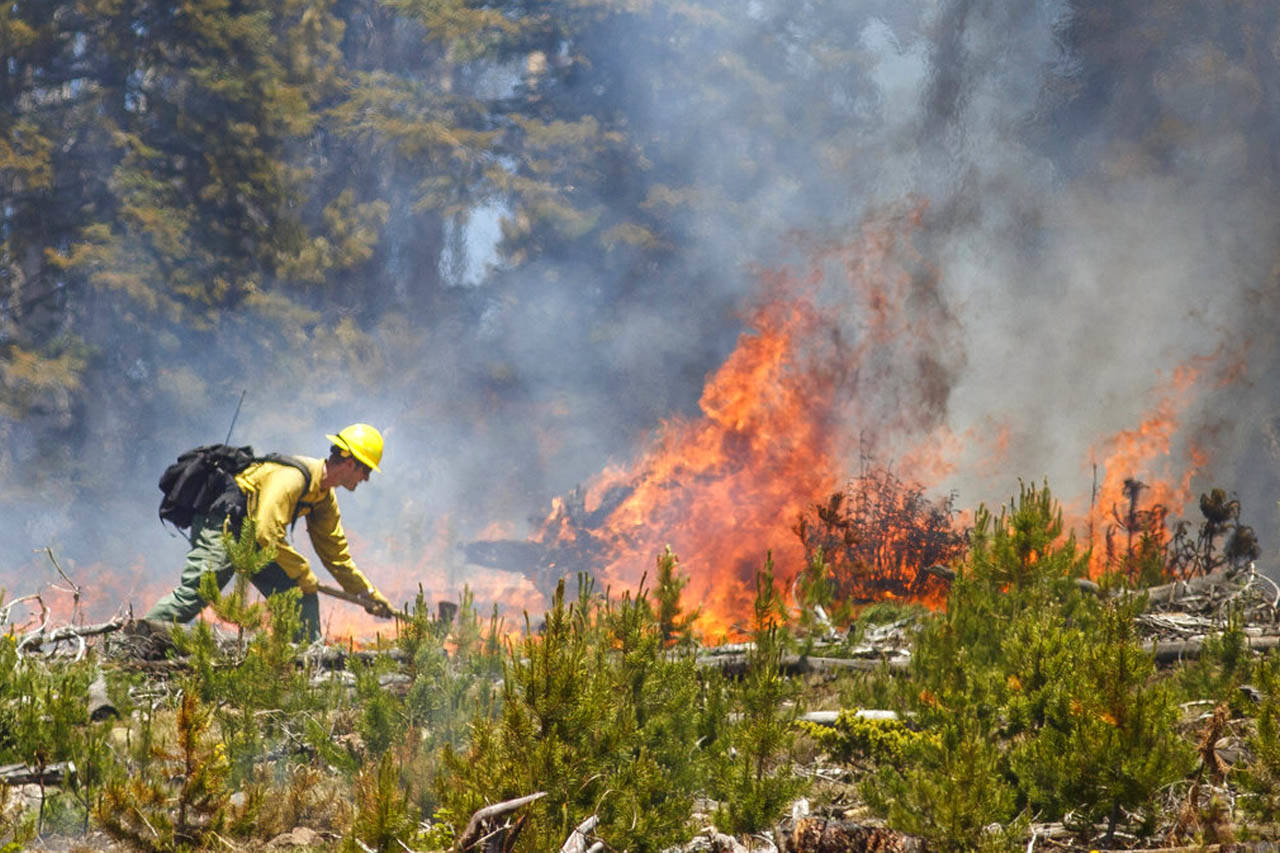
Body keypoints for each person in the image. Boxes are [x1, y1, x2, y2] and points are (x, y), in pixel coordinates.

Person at [144, 423, 395, 639]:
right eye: (366, 470)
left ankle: (306, 658)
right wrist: (302, 570)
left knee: (299, 592)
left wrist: (367, 594)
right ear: (350, 463)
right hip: (221, 525)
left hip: (253, 539)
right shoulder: (293, 478)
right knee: (199, 591)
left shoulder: (323, 499)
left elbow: (336, 556)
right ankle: (137, 637)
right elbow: (267, 532)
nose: (366, 479)